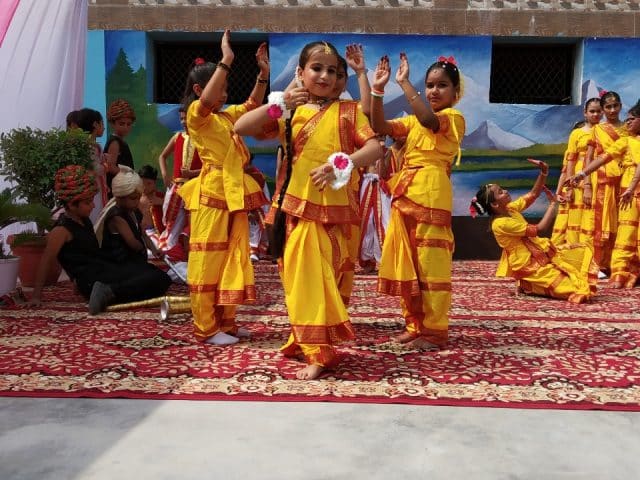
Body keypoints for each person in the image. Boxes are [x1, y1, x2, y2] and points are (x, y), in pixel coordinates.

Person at [234, 40, 382, 380]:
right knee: (300, 280)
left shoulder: (348, 112)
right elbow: (241, 128)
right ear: (301, 73)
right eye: (317, 68)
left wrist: (341, 164)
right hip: (295, 208)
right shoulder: (290, 110)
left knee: (324, 281)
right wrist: (281, 101)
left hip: (335, 211)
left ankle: (319, 349)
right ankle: (308, 342)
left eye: (332, 71)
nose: (324, 76)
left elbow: (375, 147)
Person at [177, 30, 269, 346]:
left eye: (226, 88)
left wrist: (263, 75)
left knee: (232, 257)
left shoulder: (226, 118)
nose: (225, 94)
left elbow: (252, 105)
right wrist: (226, 59)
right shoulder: (197, 117)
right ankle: (206, 327)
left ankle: (227, 323)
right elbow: (205, 102)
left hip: (233, 195)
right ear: (200, 89)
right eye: (221, 88)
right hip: (212, 196)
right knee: (207, 262)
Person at [370, 53, 465, 350]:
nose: (434, 91)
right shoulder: (411, 122)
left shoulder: (453, 119)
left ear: (455, 92)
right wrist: (378, 90)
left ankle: (435, 331)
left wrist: (404, 83)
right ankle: (414, 325)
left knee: (430, 266)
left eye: (442, 85)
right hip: (406, 195)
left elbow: (428, 119)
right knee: (407, 263)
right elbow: (380, 125)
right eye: (430, 85)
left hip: (432, 196)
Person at [30, 165, 172, 315]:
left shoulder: (83, 220)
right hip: (92, 281)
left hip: (103, 269)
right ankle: (108, 292)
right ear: (71, 205)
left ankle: (109, 291)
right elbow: (46, 260)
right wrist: (36, 296)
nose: (93, 206)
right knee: (155, 280)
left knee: (156, 274)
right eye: (88, 203)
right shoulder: (61, 231)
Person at [471, 159, 597, 304]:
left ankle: (530, 284)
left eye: (503, 189)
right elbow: (539, 229)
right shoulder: (500, 224)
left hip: (539, 254)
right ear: (494, 204)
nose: (505, 191)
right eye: (501, 192)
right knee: (574, 289)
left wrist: (543, 173)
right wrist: (553, 205)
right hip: (528, 265)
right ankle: (528, 283)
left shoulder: (510, 209)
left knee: (581, 252)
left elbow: (533, 195)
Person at [566, 100, 640, 289]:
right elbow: (603, 157)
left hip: (629, 186)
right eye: (627, 119)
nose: (628, 122)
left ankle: (634, 271)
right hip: (628, 191)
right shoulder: (626, 140)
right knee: (626, 231)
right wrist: (582, 174)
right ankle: (620, 273)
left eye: (632, 119)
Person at [581, 91, 627, 276]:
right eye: (608, 107)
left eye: (615, 106)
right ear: (603, 109)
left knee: (623, 222)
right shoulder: (597, 130)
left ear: (621, 106)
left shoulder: (629, 128)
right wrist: (586, 185)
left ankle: (619, 263)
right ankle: (598, 264)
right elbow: (588, 158)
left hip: (625, 180)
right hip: (602, 183)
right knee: (601, 223)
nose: (612, 110)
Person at [94, 166, 167, 268]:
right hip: (120, 264)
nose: (137, 202)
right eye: (133, 199)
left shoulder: (135, 211)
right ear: (120, 197)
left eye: (138, 198)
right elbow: (134, 244)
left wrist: (154, 250)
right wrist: (145, 252)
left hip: (134, 261)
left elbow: (143, 235)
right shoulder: (117, 217)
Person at [76, 108, 110, 223]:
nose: (104, 128)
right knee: (97, 219)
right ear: (95, 124)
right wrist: (106, 165)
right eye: (102, 123)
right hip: (94, 189)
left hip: (90, 188)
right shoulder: (91, 146)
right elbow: (96, 169)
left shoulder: (82, 145)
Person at [104, 98, 136, 196]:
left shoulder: (121, 142)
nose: (125, 127)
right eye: (122, 124)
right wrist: (129, 176)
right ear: (112, 123)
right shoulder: (115, 142)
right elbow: (110, 166)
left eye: (129, 124)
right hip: (116, 190)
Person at [137, 164, 165, 233]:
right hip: (140, 231)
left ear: (155, 183)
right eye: (142, 183)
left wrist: (162, 202)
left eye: (149, 183)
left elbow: (172, 211)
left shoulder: (160, 197)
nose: (145, 187)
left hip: (156, 232)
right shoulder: (135, 197)